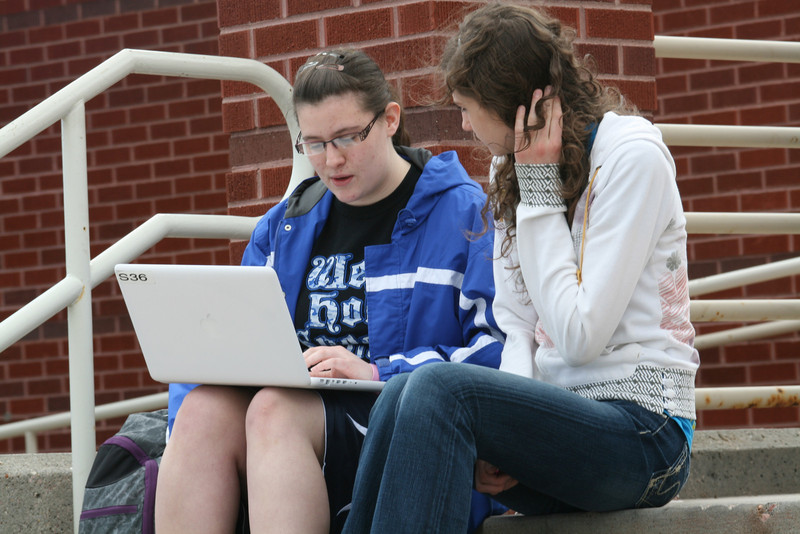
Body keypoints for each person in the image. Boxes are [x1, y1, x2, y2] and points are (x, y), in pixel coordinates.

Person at [342, 3, 700, 533]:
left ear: (511, 106)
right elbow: (516, 323)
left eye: (467, 107)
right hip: (555, 426)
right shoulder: (510, 166)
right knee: (400, 395)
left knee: (439, 390)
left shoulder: (631, 159)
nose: (463, 123)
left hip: (645, 437)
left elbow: (578, 335)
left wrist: (539, 188)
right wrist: (503, 437)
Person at [154, 49, 505, 534]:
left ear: (389, 119)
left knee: (273, 409)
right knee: (202, 410)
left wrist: (377, 371)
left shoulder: (466, 216)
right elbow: (224, 353)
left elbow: (500, 355)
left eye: (347, 138)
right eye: (314, 144)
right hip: (290, 433)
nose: (331, 161)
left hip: (403, 428)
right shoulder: (286, 226)